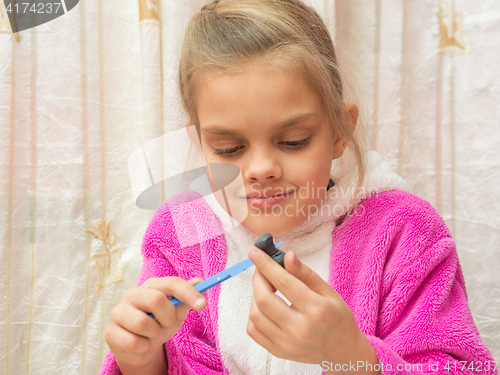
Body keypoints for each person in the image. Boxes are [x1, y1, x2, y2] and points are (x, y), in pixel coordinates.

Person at [100, 1, 497, 374]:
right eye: (229, 148)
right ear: (199, 145)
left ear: (340, 131)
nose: (261, 169)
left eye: (293, 141)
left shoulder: (404, 233)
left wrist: (353, 357)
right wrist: (142, 359)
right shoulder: (182, 234)